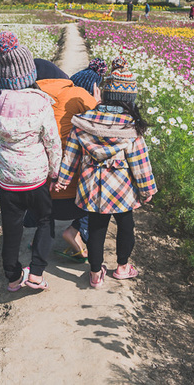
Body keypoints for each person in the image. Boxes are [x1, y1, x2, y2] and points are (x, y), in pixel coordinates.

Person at [53, 61, 157, 289]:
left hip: (92, 188)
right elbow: (140, 163)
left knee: (97, 228)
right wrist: (147, 190)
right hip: (122, 190)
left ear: (104, 94)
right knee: (126, 226)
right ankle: (122, 268)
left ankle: (94, 274)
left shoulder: (83, 122)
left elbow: (70, 157)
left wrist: (62, 181)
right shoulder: (131, 127)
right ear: (129, 99)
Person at [0, 31, 62, 292]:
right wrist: (55, 173)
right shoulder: (41, 102)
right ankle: (35, 274)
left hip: (8, 181)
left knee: (11, 230)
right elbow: (53, 143)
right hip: (36, 178)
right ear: (30, 74)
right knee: (46, 220)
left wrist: (2, 70)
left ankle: (13, 278)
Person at [35, 58, 106, 262]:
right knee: (104, 178)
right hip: (75, 199)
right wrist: (98, 103)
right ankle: (78, 229)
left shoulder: (31, 99)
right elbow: (104, 127)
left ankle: (39, 238)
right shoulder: (79, 96)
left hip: (38, 196)